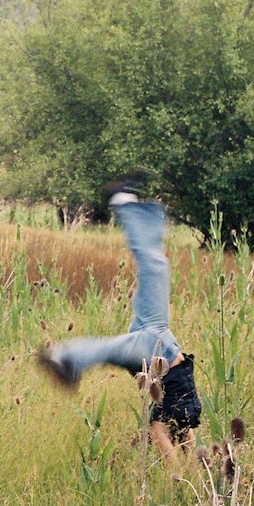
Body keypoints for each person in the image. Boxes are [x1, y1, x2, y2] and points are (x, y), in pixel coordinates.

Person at [37, 178, 201, 458]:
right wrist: (194, 469)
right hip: (159, 345)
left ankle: (67, 356)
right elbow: (184, 435)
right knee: (155, 266)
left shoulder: (177, 413)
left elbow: (161, 433)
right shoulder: (183, 415)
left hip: (158, 352)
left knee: (154, 269)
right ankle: (125, 202)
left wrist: (184, 474)